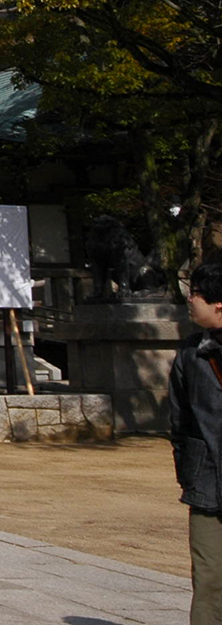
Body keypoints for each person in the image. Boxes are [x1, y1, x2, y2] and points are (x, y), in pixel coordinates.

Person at [172, 260, 222, 625]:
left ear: (218, 303)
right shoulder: (191, 354)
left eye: (196, 294)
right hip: (208, 484)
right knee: (209, 578)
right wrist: (189, 472)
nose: (190, 301)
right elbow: (180, 421)